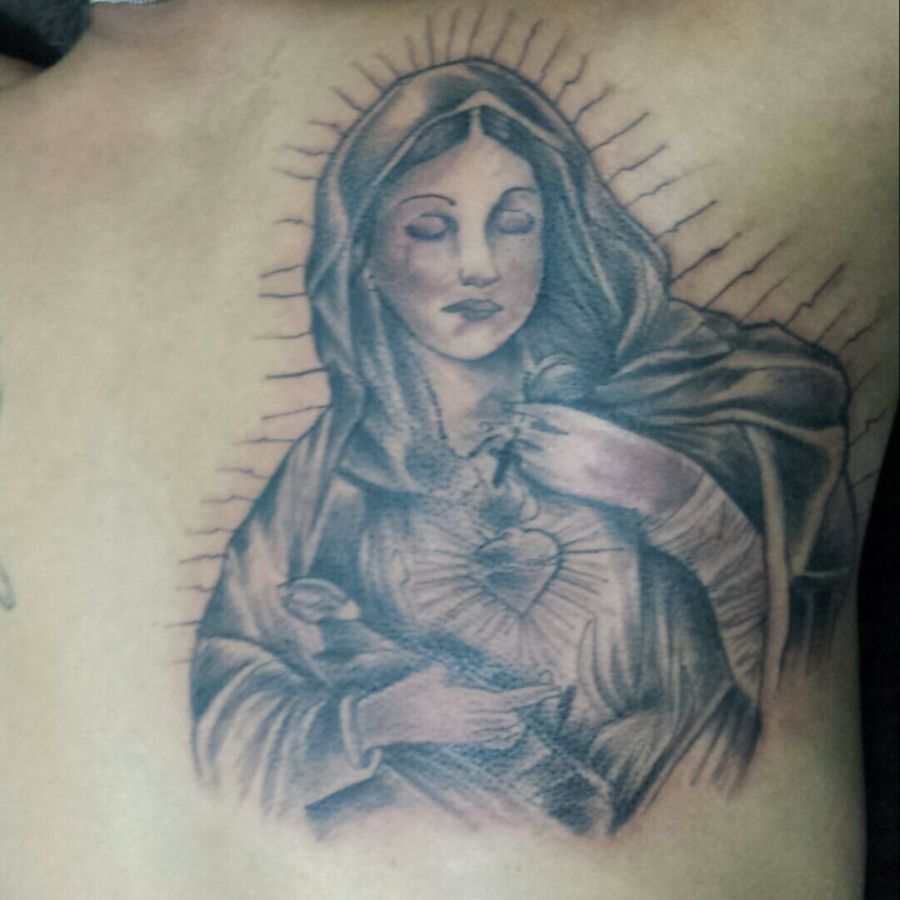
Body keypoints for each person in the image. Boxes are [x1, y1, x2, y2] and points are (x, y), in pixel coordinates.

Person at [190, 60, 855, 836]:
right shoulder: (326, 481)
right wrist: (372, 721)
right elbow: (224, 721)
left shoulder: (683, 400)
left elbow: (797, 676)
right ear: (361, 255)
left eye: (514, 223)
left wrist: (674, 494)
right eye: (431, 228)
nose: (480, 265)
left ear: (557, 235)